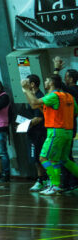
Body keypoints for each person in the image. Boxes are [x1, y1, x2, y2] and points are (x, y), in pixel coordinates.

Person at [21, 74, 78, 195]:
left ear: (51, 83)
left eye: (46, 80)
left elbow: (35, 102)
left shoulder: (53, 96)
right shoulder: (69, 96)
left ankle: (54, 185)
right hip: (68, 131)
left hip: (56, 131)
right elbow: (75, 112)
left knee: (43, 157)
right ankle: (56, 185)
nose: (45, 82)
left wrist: (26, 89)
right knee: (63, 159)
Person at [53, 57, 78, 192]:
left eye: (66, 77)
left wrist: (57, 69)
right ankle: (69, 181)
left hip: (68, 126)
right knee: (65, 156)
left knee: (65, 156)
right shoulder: (71, 91)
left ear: (70, 79)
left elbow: (55, 83)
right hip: (68, 126)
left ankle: (70, 181)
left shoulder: (73, 90)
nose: (65, 79)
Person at [25, 74, 48, 192]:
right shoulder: (31, 96)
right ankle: (43, 179)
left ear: (32, 84)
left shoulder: (39, 97)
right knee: (36, 158)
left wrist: (25, 124)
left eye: (27, 82)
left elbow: (39, 118)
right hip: (32, 132)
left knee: (38, 158)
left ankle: (42, 179)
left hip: (39, 133)